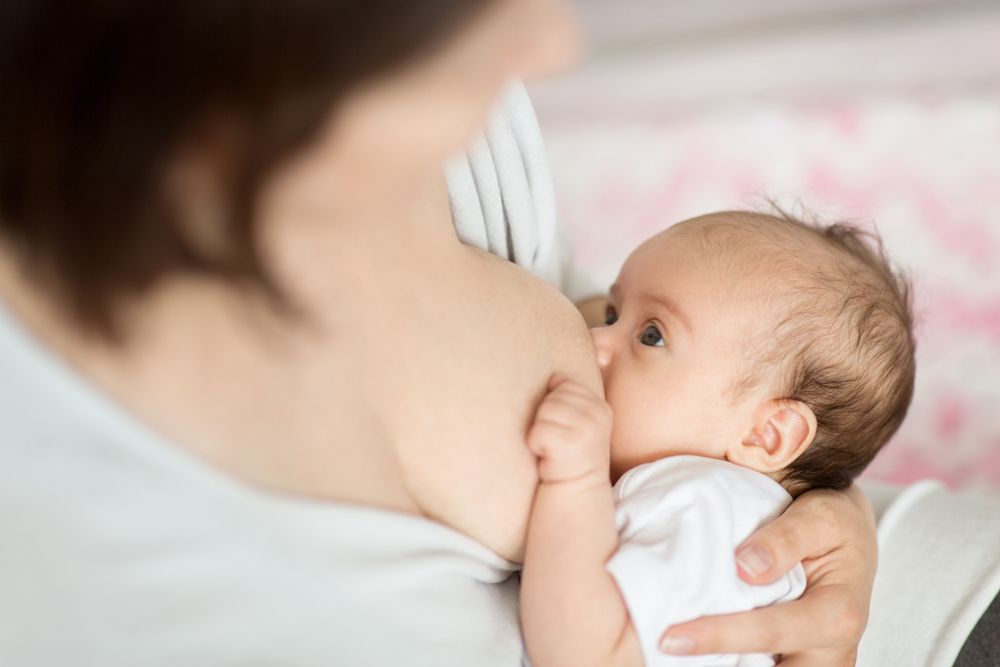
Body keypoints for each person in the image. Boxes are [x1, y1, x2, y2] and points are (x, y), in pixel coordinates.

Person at [2, 0, 987, 665]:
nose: (552, 45)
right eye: (621, 319)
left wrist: (823, 504)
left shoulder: (413, 116)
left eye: (637, 328)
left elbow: (715, 382)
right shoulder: (94, 551)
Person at [520, 211, 915, 667]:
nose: (592, 339)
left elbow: (589, 654)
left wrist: (573, 481)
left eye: (651, 335)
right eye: (612, 313)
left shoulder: (702, 504)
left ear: (765, 436)